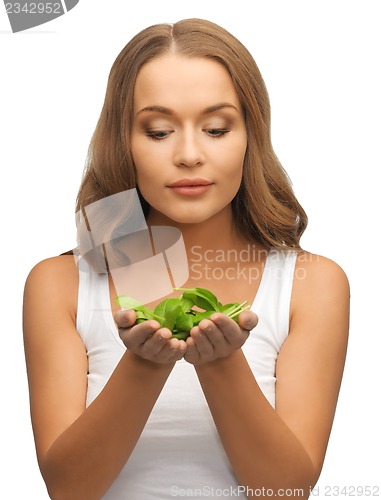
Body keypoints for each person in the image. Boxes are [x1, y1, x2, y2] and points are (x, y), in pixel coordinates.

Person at [23, 18, 350, 499]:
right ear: (124, 143)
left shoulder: (312, 282)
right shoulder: (60, 282)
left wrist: (220, 365)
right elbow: (69, 490)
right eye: (158, 132)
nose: (189, 154)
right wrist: (145, 365)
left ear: (250, 137)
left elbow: (286, 491)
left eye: (216, 128)